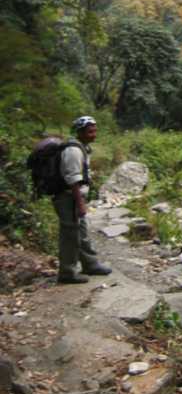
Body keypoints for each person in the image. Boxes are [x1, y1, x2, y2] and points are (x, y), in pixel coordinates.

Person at [54, 115, 111, 284]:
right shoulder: (73, 151)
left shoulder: (83, 148)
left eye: (95, 130)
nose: (94, 134)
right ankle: (67, 272)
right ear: (80, 132)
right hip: (68, 198)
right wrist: (80, 203)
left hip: (75, 197)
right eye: (90, 131)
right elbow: (72, 179)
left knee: (82, 232)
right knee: (70, 235)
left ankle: (90, 264)